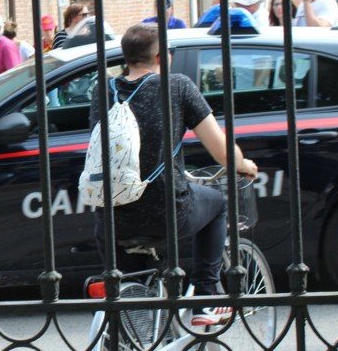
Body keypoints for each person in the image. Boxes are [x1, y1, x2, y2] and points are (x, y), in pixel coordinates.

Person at [88, 23, 258, 324]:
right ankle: (205, 299)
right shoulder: (176, 86)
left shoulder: (104, 90)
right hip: (166, 211)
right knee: (217, 204)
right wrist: (243, 164)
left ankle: (136, 337)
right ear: (161, 57)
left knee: (134, 297)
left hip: (112, 218)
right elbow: (222, 152)